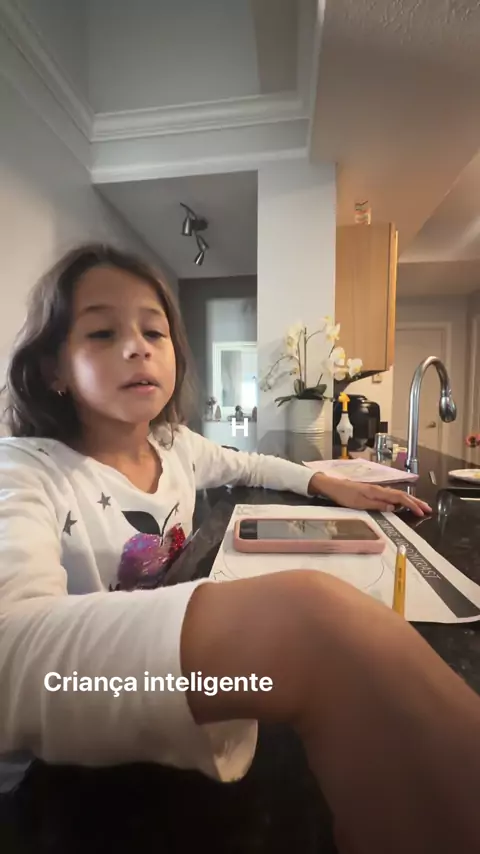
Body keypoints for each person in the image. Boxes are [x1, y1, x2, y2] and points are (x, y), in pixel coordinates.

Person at [0, 243, 478, 854]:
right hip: (42, 779)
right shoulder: (24, 470)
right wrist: (304, 623)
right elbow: (11, 649)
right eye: (101, 333)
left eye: (154, 331)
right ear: (53, 370)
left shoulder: (174, 446)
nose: (138, 347)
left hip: (143, 723)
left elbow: (250, 463)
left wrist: (324, 482)